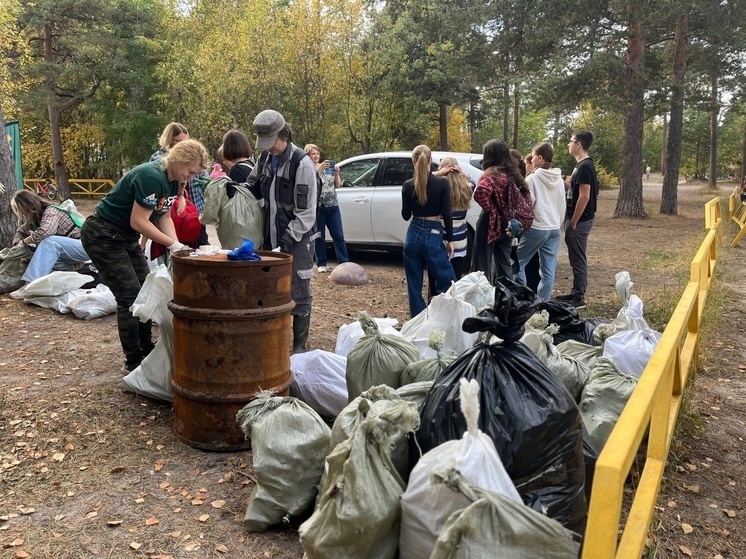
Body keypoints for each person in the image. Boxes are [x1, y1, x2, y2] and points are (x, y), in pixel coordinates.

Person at [81, 139, 210, 373]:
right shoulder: (151, 177)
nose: (190, 178)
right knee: (129, 297)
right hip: (103, 234)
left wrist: (176, 245)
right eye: (190, 172)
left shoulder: (172, 181)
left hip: (125, 238)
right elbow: (139, 221)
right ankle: (133, 361)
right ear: (180, 161)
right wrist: (172, 244)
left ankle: (146, 350)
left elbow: (164, 217)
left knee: (146, 292)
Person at [246, 110, 318, 354]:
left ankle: (299, 346)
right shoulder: (265, 158)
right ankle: (271, 339)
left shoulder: (302, 163)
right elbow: (253, 183)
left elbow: (307, 212)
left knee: (298, 290)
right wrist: (240, 191)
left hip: (297, 240)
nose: (269, 148)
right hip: (270, 237)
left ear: (283, 135)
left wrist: (288, 239)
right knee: (269, 289)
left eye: (272, 142)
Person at [401, 144, 456, 317]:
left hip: (413, 232)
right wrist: (450, 240)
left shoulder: (408, 185)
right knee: (446, 279)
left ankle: (418, 322)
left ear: (413, 162)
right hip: (433, 233)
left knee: (414, 285)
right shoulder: (442, 184)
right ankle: (443, 317)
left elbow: (405, 215)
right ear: (431, 160)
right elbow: (447, 214)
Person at [8, 191, 89, 299]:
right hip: (70, 251)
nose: (22, 214)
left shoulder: (51, 211)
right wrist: (17, 243)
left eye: (21, 209)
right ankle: (73, 267)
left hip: (85, 246)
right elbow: (21, 231)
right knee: (34, 254)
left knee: (49, 242)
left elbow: (45, 232)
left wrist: (23, 242)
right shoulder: (34, 219)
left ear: (29, 206)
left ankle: (30, 285)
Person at [515, 142, 565, 300]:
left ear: (540, 158)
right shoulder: (559, 179)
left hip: (537, 227)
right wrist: (558, 222)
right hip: (554, 227)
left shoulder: (532, 179)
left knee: (518, 263)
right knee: (548, 270)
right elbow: (562, 203)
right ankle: (543, 304)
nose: (531, 157)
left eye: (533, 154)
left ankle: (524, 300)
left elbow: (528, 207)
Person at [473, 139, 528, 282]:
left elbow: (480, 192)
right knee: (504, 263)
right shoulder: (513, 174)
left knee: (482, 264)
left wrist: (491, 210)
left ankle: (482, 299)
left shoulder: (492, 174)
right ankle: (507, 297)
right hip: (508, 225)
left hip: (488, 223)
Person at [556, 130, 599, 309]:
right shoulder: (580, 166)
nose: (569, 144)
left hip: (580, 221)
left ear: (578, 144)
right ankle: (575, 292)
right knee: (575, 257)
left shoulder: (585, 166)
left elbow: (584, 197)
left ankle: (579, 297)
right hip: (577, 219)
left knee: (578, 258)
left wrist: (573, 221)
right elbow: (575, 189)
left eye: (571, 141)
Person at [150, 122, 209, 246]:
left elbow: (205, 180)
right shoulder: (159, 165)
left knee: (201, 246)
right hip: (173, 213)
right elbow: (149, 215)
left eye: (186, 141)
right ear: (169, 139)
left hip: (193, 212)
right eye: (179, 142)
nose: (184, 145)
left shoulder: (194, 159)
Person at [305, 143, 349, 273]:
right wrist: (319, 169)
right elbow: (309, 181)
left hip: (333, 206)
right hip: (319, 208)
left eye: (317, 154)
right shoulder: (308, 169)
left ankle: (344, 262)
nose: (316, 156)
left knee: (338, 235)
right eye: (313, 154)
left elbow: (338, 185)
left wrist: (336, 174)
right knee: (319, 236)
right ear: (308, 156)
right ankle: (321, 263)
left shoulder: (327, 168)